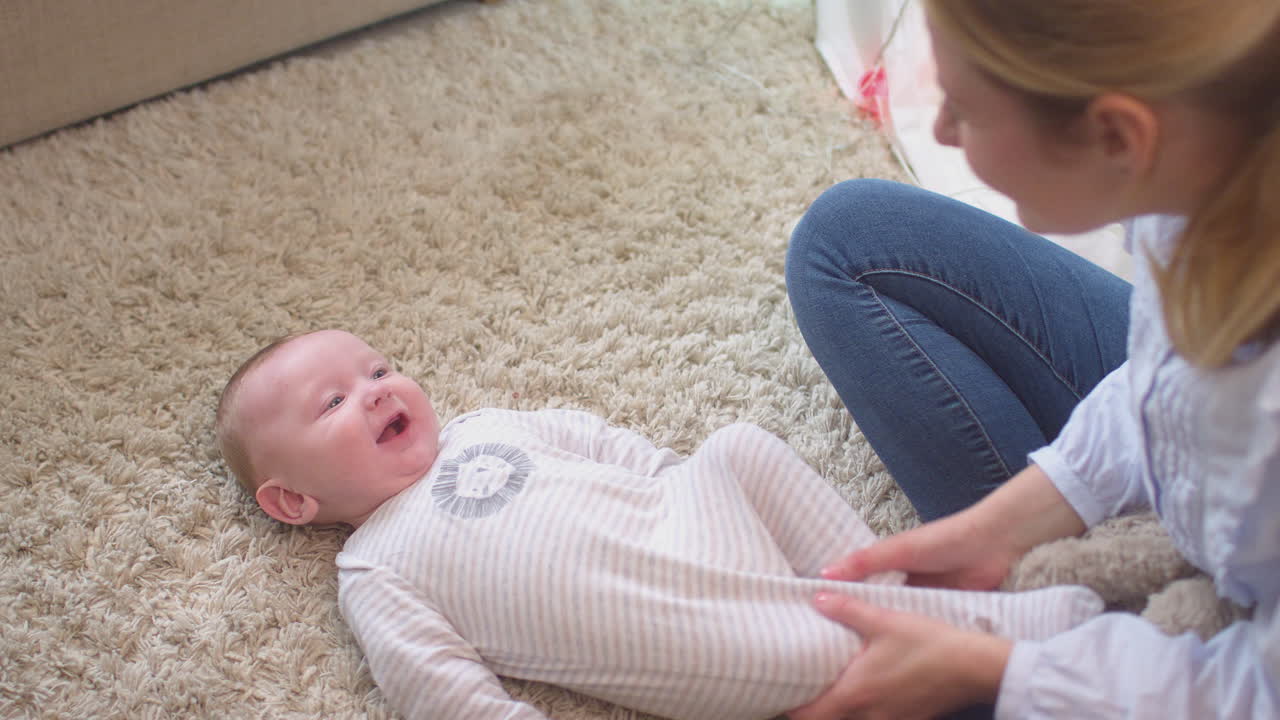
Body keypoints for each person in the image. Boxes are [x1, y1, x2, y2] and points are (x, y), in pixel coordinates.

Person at [784, 1, 1280, 718]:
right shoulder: (1212, 162)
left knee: (915, 686)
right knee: (849, 236)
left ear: (1117, 135)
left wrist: (1005, 672)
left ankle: (1081, 649)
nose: (943, 130)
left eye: (965, 108)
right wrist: (1001, 526)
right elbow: (1161, 375)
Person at [214, 329, 1104, 720]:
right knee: (797, 650)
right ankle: (1023, 642)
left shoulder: (489, 427)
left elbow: (607, 445)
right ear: (294, 501)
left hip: (690, 521)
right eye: (335, 401)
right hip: (664, 626)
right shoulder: (375, 567)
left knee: (737, 445)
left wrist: (686, 487)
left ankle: (900, 595)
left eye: (379, 368)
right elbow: (435, 686)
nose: (376, 390)